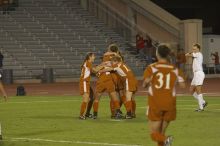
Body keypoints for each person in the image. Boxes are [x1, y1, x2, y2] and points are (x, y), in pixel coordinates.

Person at [143, 44, 186, 146]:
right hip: (170, 103)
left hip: (155, 102)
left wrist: (148, 80)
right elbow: (183, 85)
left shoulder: (151, 67)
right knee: (161, 132)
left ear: (157, 54)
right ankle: (165, 140)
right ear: (167, 55)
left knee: (155, 134)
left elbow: (145, 84)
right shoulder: (175, 69)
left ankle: (166, 139)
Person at [79, 53, 104, 120]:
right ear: (90, 57)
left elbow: (94, 69)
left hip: (86, 83)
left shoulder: (88, 63)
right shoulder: (88, 63)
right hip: (84, 82)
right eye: (93, 56)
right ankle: (81, 115)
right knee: (86, 99)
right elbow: (95, 70)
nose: (94, 57)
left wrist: (101, 65)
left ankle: (87, 113)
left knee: (92, 97)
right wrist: (103, 65)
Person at [185, 43, 208, 112]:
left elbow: (188, 55)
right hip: (195, 74)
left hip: (199, 73)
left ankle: (201, 108)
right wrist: (189, 53)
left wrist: (189, 53)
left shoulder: (199, 54)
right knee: (191, 90)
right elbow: (188, 55)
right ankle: (203, 102)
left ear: (198, 49)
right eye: (193, 49)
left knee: (198, 90)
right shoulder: (196, 55)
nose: (194, 50)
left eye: (195, 49)